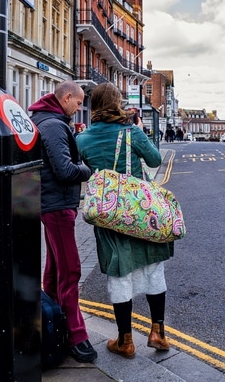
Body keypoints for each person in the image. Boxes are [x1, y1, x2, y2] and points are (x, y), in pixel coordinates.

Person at [76, 83, 173, 359]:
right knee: (153, 268)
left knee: (119, 272)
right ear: (117, 103)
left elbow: (81, 169)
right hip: (140, 212)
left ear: (94, 106)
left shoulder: (83, 139)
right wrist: (138, 128)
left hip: (108, 215)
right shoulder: (131, 132)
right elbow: (155, 160)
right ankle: (158, 332)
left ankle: (125, 340)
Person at [28, 81, 97, 363]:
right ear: (66, 98)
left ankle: (55, 322)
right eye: (78, 103)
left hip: (52, 203)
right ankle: (76, 336)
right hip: (57, 206)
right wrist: (88, 170)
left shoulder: (45, 119)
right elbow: (66, 169)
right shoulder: (55, 125)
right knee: (71, 270)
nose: (79, 108)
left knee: (55, 268)